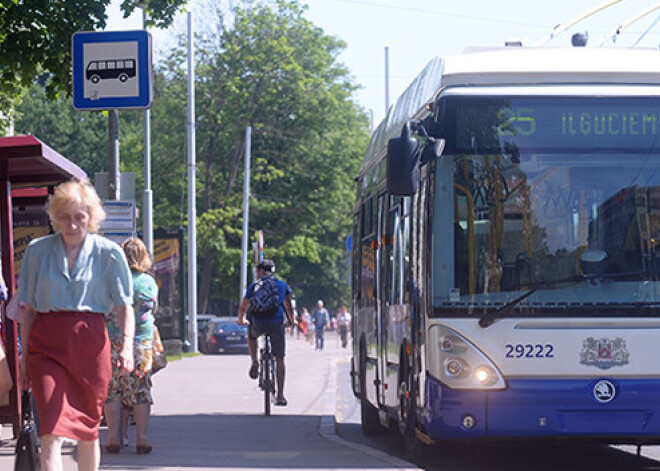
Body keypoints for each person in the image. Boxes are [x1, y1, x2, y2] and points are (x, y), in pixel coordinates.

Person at [18, 179, 135, 471]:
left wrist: (128, 347)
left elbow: (123, 306)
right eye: (65, 217)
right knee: (51, 429)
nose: (72, 225)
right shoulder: (36, 251)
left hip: (90, 345)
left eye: (79, 217)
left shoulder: (109, 253)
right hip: (45, 344)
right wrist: (23, 359)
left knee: (87, 430)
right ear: (55, 218)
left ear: (91, 218)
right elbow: (28, 310)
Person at [104, 237, 158, 455]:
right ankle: (142, 439)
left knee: (112, 390)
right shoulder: (148, 282)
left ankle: (114, 437)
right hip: (141, 342)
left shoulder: (111, 280)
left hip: (111, 341)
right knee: (140, 389)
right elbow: (153, 310)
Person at [237, 259, 295, 407]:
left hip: (258, 322)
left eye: (258, 271)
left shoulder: (254, 286)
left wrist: (241, 320)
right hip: (276, 323)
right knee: (280, 359)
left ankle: (254, 361)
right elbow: (288, 307)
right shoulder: (282, 285)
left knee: (251, 335)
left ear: (261, 271)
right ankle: (281, 395)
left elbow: (243, 307)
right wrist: (291, 321)